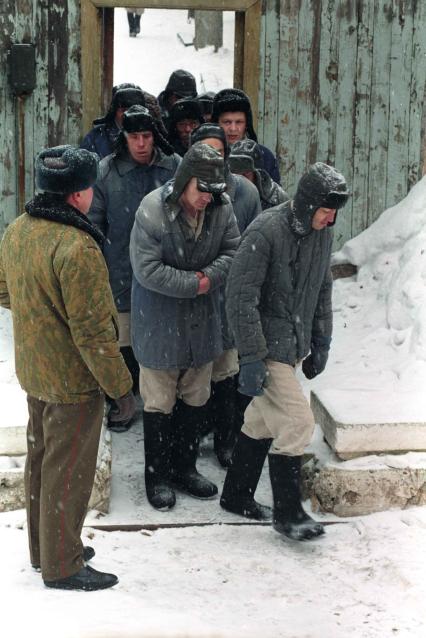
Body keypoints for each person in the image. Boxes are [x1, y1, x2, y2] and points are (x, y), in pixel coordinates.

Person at [0, 145, 136, 590]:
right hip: (73, 380)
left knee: (42, 460)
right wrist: (121, 388)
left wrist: (41, 319)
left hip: (36, 370)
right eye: (90, 186)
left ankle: (47, 548)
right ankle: (62, 564)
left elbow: (6, 292)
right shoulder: (77, 246)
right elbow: (95, 335)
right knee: (69, 470)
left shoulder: (19, 230)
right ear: (78, 194)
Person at [222, 162, 350, 540]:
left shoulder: (321, 233)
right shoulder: (266, 231)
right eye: (326, 211)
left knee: (262, 420)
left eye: (333, 213)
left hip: (293, 344)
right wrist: (249, 356)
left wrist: (321, 340)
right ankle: (288, 512)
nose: (330, 220)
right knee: (297, 422)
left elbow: (321, 288)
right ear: (308, 204)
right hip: (265, 347)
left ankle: (237, 494)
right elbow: (240, 297)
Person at [129, 142, 240, 510]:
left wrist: (208, 277)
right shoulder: (152, 209)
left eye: (215, 192)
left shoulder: (221, 209)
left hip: (202, 323)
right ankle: (157, 476)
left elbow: (234, 252)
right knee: (159, 401)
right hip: (159, 323)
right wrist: (197, 284)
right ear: (184, 182)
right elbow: (147, 270)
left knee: (196, 395)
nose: (208, 198)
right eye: (201, 190)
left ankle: (185, 468)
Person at [89, 105, 180, 432]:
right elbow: (93, 226)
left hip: (165, 270)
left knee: (163, 342)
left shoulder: (173, 167)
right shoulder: (106, 172)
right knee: (121, 341)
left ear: (155, 136)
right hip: (120, 270)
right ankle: (124, 403)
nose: (141, 143)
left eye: (146, 136)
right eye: (134, 136)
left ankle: (167, 409)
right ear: (123, 137)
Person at [190, 123, 261, 467]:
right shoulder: (182, 189)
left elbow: (256, 244)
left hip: (232, 292)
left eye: (217, 151)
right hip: (196, 292)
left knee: (227, 372)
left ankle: (226, 440)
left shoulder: (245, 192)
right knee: (193, 375)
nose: (211, 158)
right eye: (203, 150)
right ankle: (187, 445)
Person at [211, 88, 281, 184]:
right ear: (217, 123)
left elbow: (275, 196)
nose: (233, 128)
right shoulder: (207, 155)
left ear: (246, 124)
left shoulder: (264, 156)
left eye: (239, 122)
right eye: (227, 122)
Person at [81, 83, 146, 159]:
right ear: (114, 111)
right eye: (123, 110)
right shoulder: (95, 138)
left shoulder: (151, 137)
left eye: (133, 110)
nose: (128, 115)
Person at [229, 138, 289, 209]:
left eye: (246, 173)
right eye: (236, 174)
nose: (241, 179)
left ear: (257, 174)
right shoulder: (223, 197)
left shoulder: (276, 197)